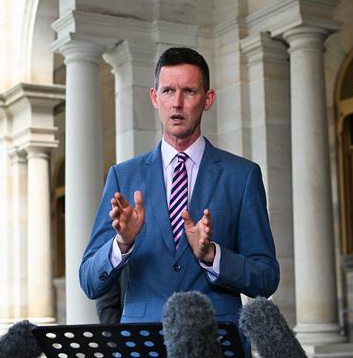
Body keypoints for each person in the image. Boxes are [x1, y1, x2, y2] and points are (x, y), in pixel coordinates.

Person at [79, 48, 279, 333]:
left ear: (207, 100)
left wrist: (213, 255)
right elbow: (89, 280)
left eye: (189, 91)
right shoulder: (123, 177)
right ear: (154, 97)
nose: (177, 104)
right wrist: (121, 244)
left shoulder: (242, 176)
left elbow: (267, 277)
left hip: (216, 342)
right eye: (168, 91)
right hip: (141, 345)